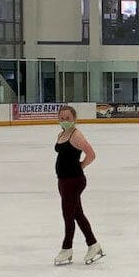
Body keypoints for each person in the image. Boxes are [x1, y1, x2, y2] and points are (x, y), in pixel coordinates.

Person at [54, 106, 104, 266]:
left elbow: (91, 154)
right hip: (63, 181)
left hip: (74, 181)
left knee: (68, 216)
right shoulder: (61, 134)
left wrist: (80, 166)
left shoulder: (76, 135)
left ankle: (66, 248)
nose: (64, 121)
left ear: (74, 119)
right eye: (61, 118)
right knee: (76, 214)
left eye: (67, 118)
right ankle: (93, 245)